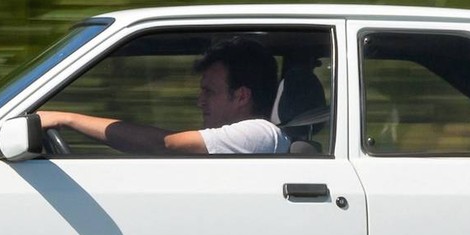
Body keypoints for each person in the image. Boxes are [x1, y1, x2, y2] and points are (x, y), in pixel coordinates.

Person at [37, 36, 290, 155]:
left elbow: (165, 144)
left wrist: (67, 119)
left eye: (209, 91)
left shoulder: (259, 134)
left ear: (242, 97)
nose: (199, 100)